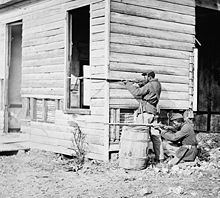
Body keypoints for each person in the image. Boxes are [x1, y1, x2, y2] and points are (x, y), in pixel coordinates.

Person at [123, 71, 164, 164]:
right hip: (153, 112)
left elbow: (137, 93)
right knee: (156, 136)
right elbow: (148, 92)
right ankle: (160, 158)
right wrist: (140, 83)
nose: (143, 78)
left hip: (146, 112)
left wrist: (128, 84)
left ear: (149, 77)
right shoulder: (157, 84)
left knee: (139, 134)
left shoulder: (149, 85)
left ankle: (138, 158)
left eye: (145, 76)